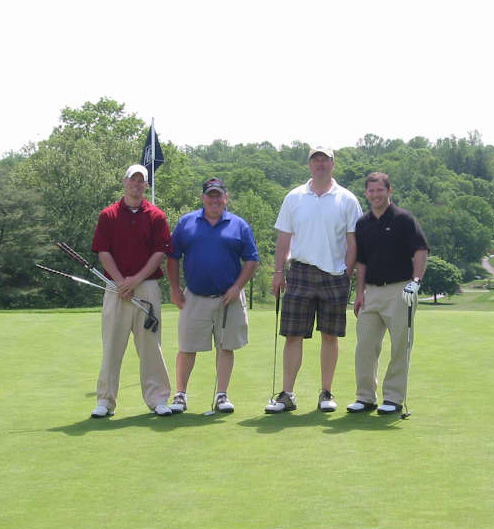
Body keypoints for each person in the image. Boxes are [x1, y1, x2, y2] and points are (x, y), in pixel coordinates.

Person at [265, 147, 363, 414]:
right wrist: (278, 272)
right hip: (299, 271)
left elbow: (354, 241)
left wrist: (348, 272)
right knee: (293, 335)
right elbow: (284, 239)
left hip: (335, 275)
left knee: (330, 336)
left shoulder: (347, 199)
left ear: (333, 163)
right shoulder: (294, 197)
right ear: (309, 164)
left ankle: (326, 392)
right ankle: (287, 394)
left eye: (324, 159)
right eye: (315, 159)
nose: (320, 163)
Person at [167, 178, 259, 414]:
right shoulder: (187, 222)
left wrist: (237, 287)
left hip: (228, 297)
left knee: (225, 346)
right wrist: (175, 288)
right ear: (203, 198)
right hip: (194, 296)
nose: (215, 200)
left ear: (225, 198)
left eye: (219, 196)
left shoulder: (238, 225)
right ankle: (180, 395)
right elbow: (173, 256)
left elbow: (251, 259)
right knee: (187, 347)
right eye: (210, 195)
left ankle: (221, 395)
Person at [90, 164, 173, 418]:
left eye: (141, 181)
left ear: (146, 186)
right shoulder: (109, 215)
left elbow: (160, 253)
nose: (136, 184)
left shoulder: (156, 216)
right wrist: (120, 282)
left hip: (146, 287)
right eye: (132, 180)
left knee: (150, 346)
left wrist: (134, 280)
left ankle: (158, 398)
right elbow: (103, 251)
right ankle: (105, 401)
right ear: (124, 182)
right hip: (116, 288)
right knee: (112, 346)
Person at [347, 172, 429, 415]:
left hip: (399, 290)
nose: (375, 195)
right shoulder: (362, 223)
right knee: (365, 346)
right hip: (371, 291)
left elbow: (421, 251)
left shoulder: (404, 219)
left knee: (400, 346)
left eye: (379, 190)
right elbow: (361, 263)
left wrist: (416, 281)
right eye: (371, 191)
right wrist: (359, 293)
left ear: (389, 191)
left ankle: (393, 398)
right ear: (366, 194)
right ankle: (365, 397)